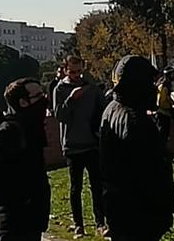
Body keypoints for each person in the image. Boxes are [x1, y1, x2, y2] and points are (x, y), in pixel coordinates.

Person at [100, 56, 174, 241]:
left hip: (120, 209)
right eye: (149, 82)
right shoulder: (136, 122)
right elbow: (150, 173)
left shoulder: (112, 108)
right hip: (140, 214)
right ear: (135, 85)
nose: (153, 88)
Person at [0, 78, 50, 241]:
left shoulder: (31, 129)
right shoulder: (10, 131)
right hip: (13, 224)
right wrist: (5, 198)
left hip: (31, 220)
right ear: (23, 102)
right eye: (38, 96)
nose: (44, 100)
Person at [53, 55, 106, 238]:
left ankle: (101, 222)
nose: (76, 75)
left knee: (97, 185)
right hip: (72, 145)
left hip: (91, 143)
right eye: (72, 72)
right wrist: (71, 99)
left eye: (79, 71)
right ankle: (79, 225)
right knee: (76, 188)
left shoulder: (90, 87)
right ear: (65, 70)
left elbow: (102, 107)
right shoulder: (61, 88)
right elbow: (59, 115)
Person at [157, 66, 174, 141]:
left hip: (164, 112)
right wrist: (171, 107)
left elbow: (167, 98)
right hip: (163, 113)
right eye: (172, 74)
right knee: (164, 133)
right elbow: (162, 101)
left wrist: (172, 102)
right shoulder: (164, 86)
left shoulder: (164, 84)